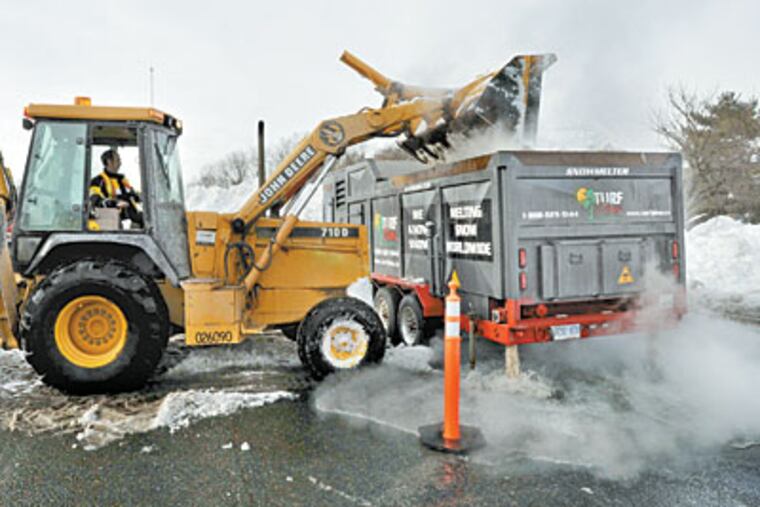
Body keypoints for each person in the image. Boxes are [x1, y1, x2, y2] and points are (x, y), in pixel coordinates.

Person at [89, 149, 143, 228]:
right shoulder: (98, 181)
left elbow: (132, 195)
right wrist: (114, 203)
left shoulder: (122, 180)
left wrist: (142, 196)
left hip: (131, 216)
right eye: (117, 160)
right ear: (109, 162)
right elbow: (95, 199)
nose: (120, 163)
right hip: (111, 219)